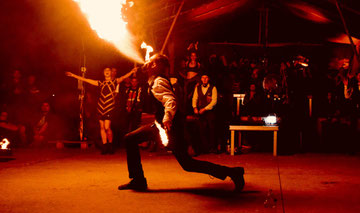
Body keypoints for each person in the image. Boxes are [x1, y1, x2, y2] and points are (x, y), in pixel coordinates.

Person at [118, 53, 244, 192]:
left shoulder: (158, 81)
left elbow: (170, 100)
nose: (147, 62)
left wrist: (167, 119)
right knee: (130, 139)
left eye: (151, 61)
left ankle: (234, 172)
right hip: (160, 125)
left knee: (188, 164)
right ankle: (138, 180)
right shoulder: (153, 79)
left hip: (170, 126)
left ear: (155, 65)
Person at [66, 66, 136, 154]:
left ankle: (110, 145)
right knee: (102, 127)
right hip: (101, 106)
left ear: (111, 73)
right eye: (105, 70)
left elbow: (124, 77)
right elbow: (86, 80)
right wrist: (73, 75)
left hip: (109, 106)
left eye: (108, 70)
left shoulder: (115, 81)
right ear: (103, 73)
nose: (107, 72)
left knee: (107, 127)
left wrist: (131, 71)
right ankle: (105, 147)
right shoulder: (101, 83)